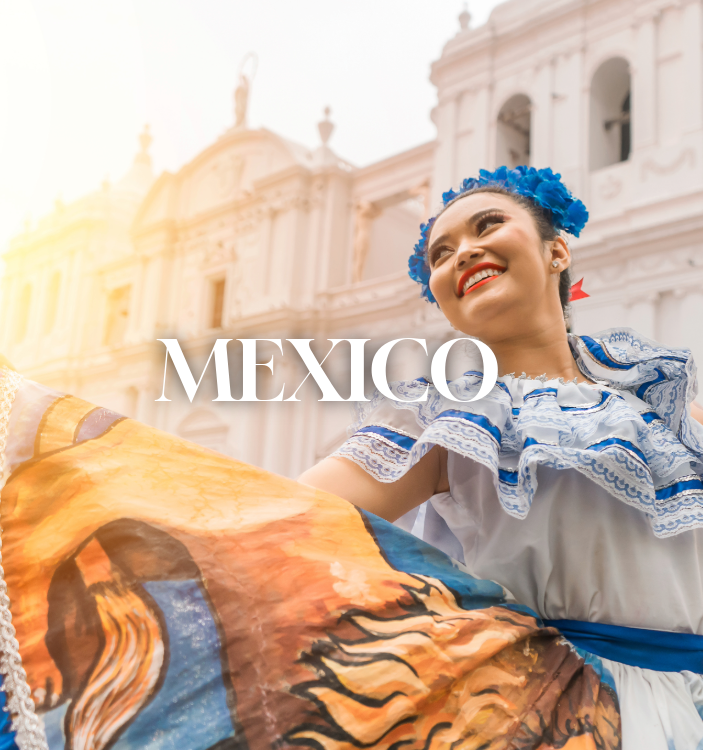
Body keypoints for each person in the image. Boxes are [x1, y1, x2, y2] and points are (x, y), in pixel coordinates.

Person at [301, 166, 703, 748]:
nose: (463, 252)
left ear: (557, 249)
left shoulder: (671, 413)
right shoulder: (440, 421)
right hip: (548, 720)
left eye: (488, 224)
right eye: (442, 253)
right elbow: (289, 518)